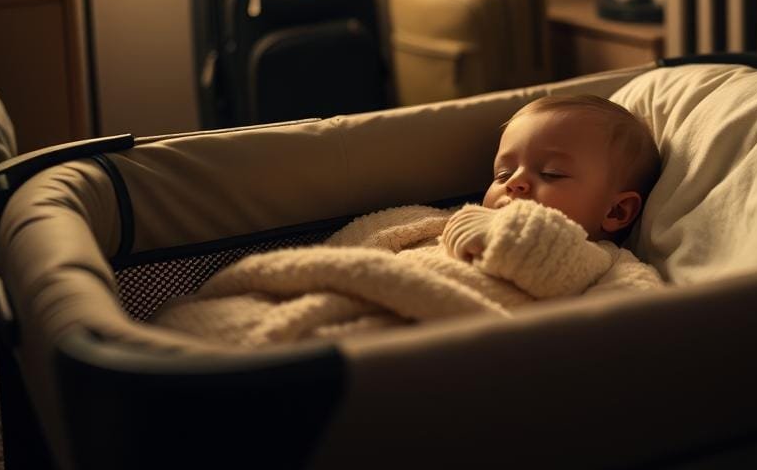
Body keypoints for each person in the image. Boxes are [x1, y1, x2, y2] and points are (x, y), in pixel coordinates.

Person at [153, 95, 664, 347]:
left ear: (617, 211)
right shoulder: (440, 222)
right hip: (356, 297)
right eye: (503, 172)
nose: (515, 184)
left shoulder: (606, 264)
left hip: (407, 349)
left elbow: (636, 330)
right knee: (206, 325)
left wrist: (510, 236)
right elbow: (365, 243)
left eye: (550, 173)